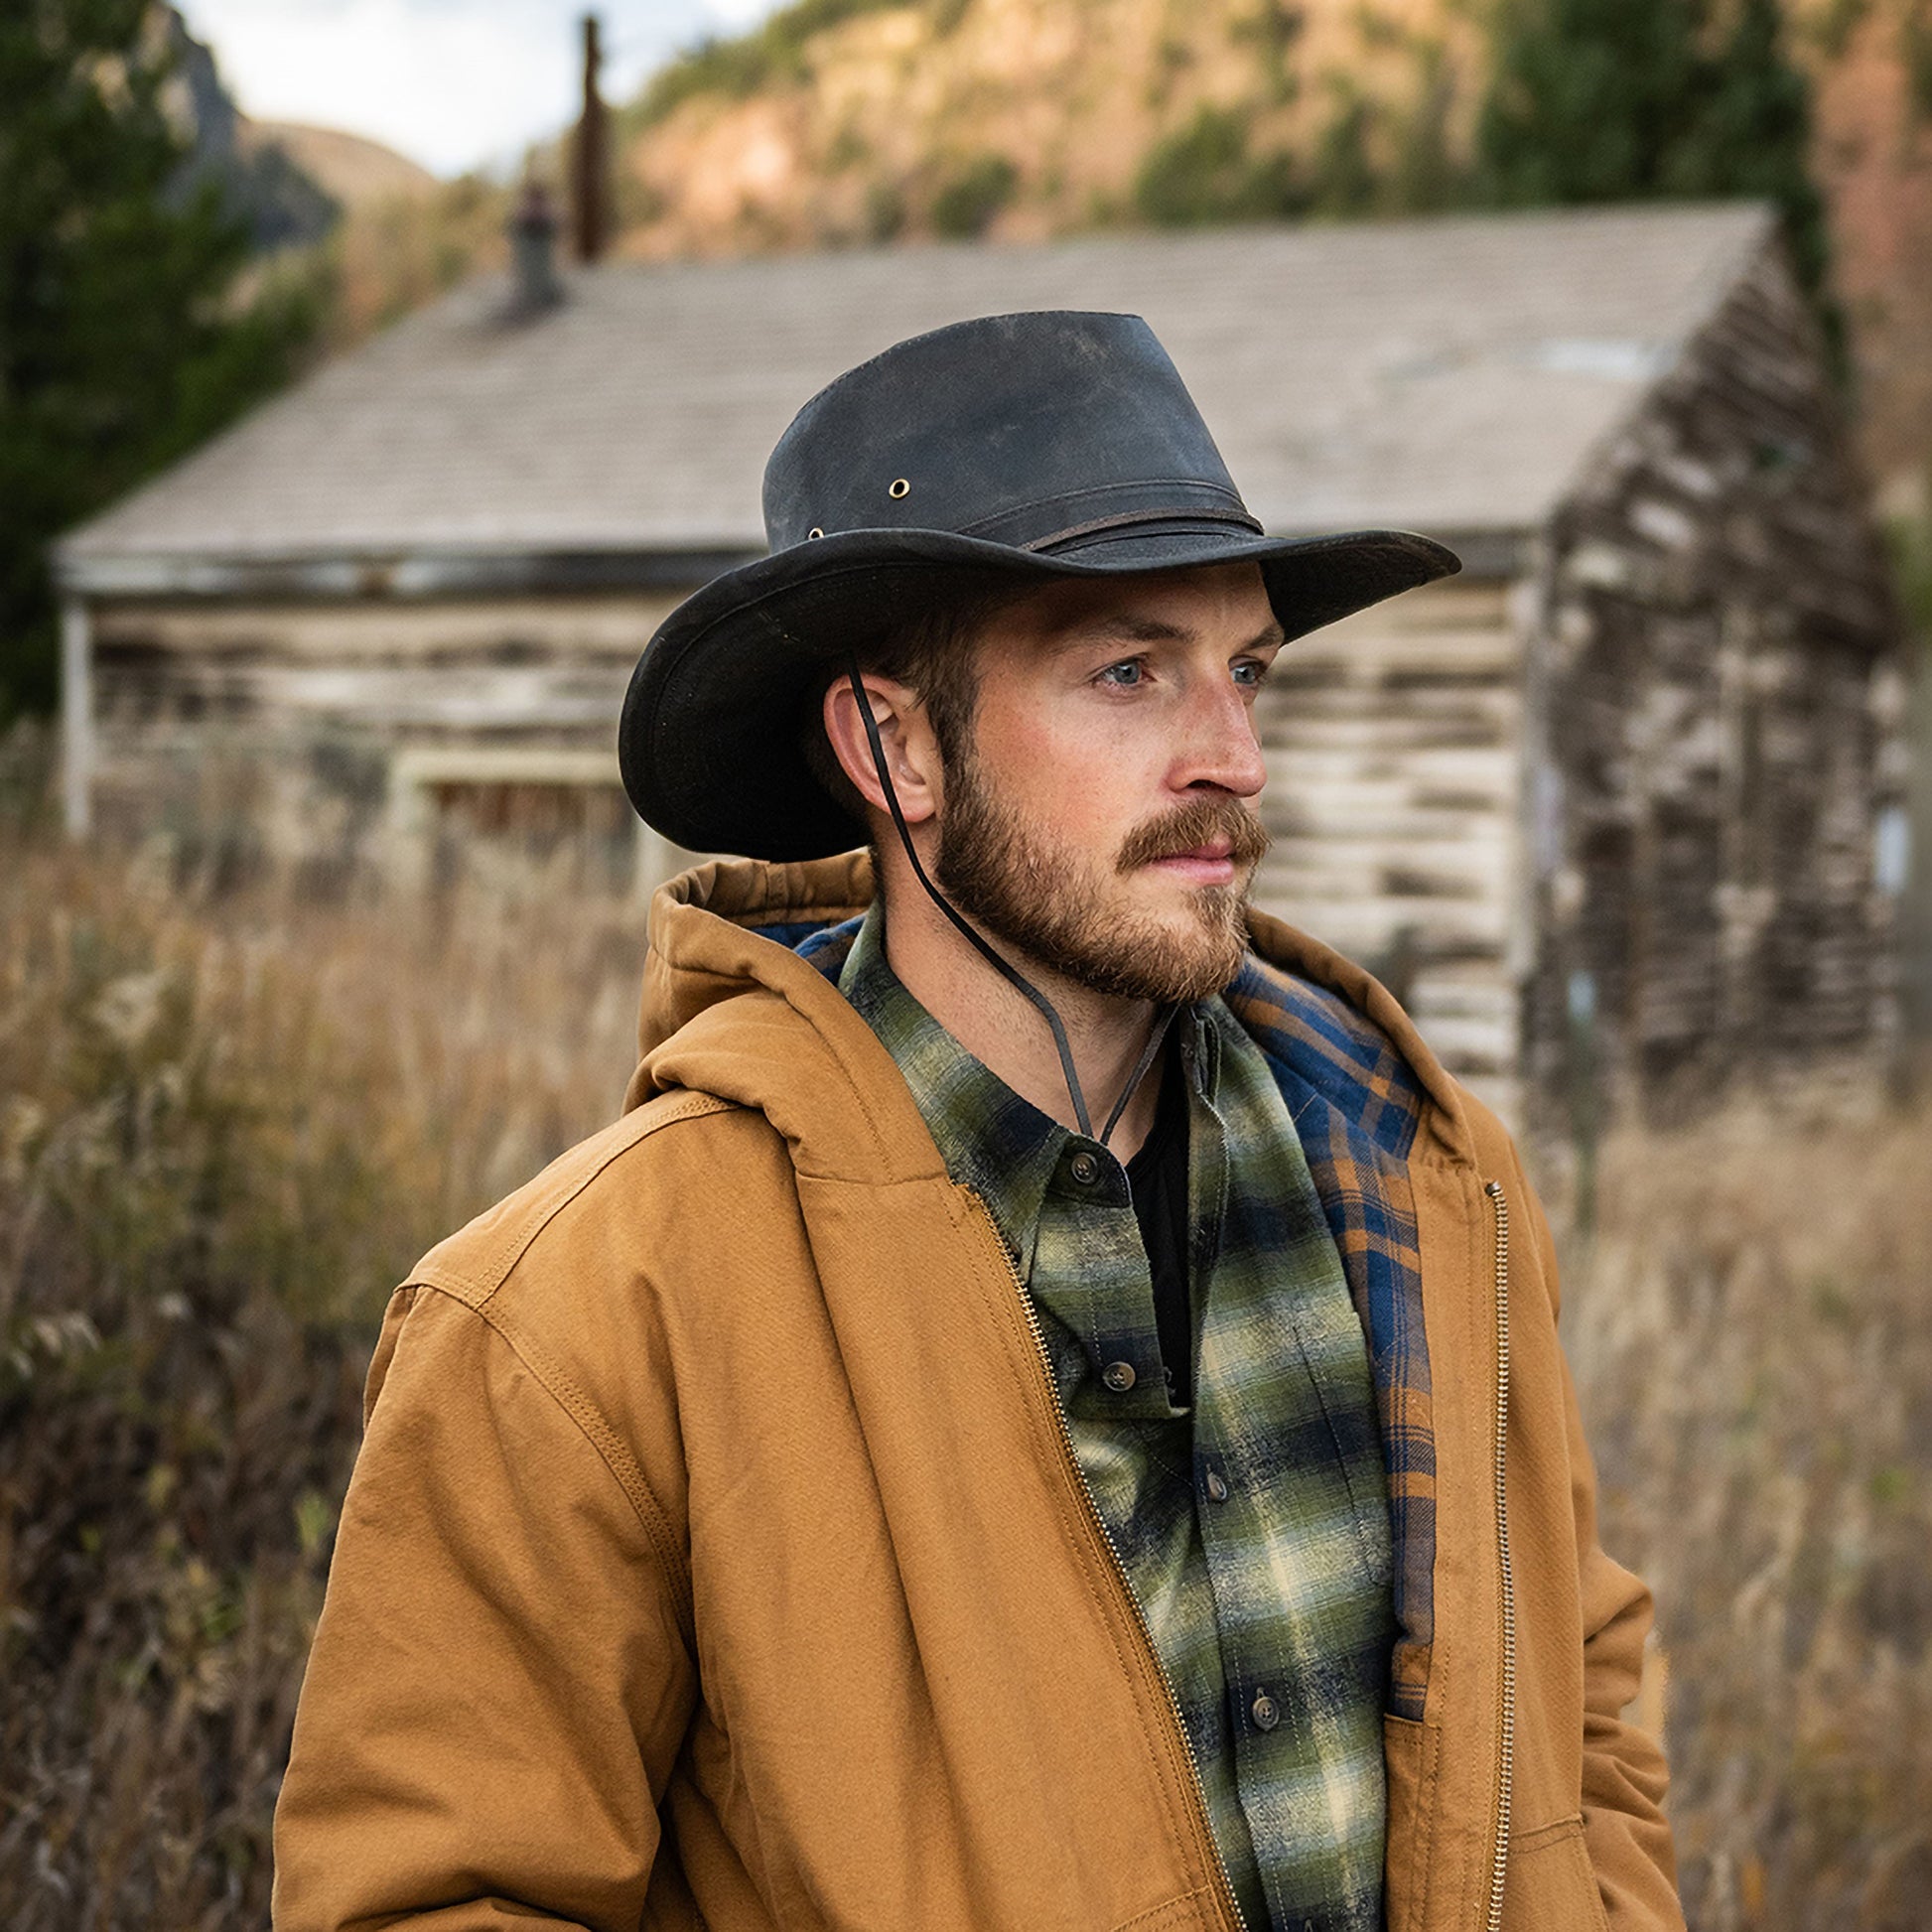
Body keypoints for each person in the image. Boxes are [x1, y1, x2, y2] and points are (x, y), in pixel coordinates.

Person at [272, 312, 1684, 1932]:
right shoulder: (578, 1317)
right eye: (1128, 672)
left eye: (1245, 671)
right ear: (893, 746)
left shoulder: (1424, 1179)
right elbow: (430, 1895)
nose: (1232, 758)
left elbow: (1578, 1700)